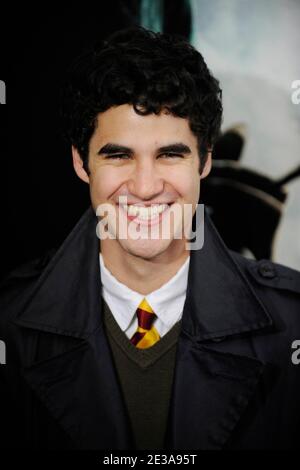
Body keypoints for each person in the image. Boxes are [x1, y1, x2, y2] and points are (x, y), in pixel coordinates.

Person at [0, 27, 300, 451]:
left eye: (170, 154)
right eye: (118, 155)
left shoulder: (292, 326)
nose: (143, 186)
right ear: (80, 162)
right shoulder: (8, 326)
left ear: (205, 160)